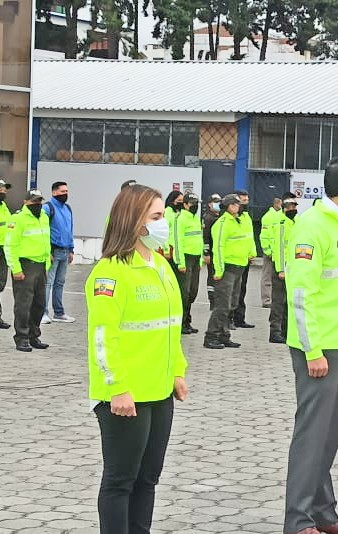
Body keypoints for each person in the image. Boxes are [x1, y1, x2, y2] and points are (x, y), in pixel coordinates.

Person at [86, 184, 189, 534]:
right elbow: (103, 338)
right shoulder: (110, 272)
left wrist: (176, 372)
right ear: (135, 222)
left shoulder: (160, 265)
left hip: (159, 392)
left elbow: (170, 327)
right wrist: (117, 388)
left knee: (148, 478)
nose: (164, 223)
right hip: (125, 396)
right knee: (120, 480)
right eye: (157, 217)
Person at [284, 154, 338, 534]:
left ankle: (324, 513)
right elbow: (301, 293)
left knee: (329, 434)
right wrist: (312, 348)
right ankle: (298, 521)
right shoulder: (311, 226)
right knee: (312, 435)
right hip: (317, 349)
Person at [203, 194, 252, 350]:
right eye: (236, 204)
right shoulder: (222, 223)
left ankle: (224, 335)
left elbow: (247, 238)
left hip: (239, 266)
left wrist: (250, 253)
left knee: (232, 303)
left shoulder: (239, 220)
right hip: (227, 269)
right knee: (222, 305)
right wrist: (218, 270)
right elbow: (218, 248)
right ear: (230, 206)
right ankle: (211, 336)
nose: (239, 206)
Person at [8, 190, 52, 352]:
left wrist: (47, 263)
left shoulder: (44, 218)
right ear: (26, 202)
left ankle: (34, 335)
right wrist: (16, 269)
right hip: (25, 265)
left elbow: (46, 242)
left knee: (39, 304)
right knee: (23, 305)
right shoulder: (17, 219)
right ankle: (22, 337)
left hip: (40, 266)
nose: (37, 205)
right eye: (34, 202)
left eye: (40, 202)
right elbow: (10, 246)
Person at [41, 181, 76, 324]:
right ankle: (43, 313)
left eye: (67, 191)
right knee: (48, 283)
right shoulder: (47, 208)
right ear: (54, 192)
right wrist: (47, 250)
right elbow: (43, 230)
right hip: (53, 251)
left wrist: (71, 249)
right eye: (62, 192)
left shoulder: (68, 208)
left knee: (59, 283)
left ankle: (59, 313)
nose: (65, 194)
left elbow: (70, 229)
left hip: (65, 251)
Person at [267, 195, 297, 344]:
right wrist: (280, 269)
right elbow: (279, 248)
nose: (293, 209)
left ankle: (286, 330)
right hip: (281, 267)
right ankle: (275, 331)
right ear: (284, 209)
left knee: (288, 301)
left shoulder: (295, 223)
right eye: (290, 207)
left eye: (294, 207)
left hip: (292, 267)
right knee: (278, 301)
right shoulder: (281, 224)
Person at [172, 193, 203, 335]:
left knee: (193, 292)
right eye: (191, 203)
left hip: (196, 259)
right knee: (184, 293)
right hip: (185, 259)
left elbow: (199, 239)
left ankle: (187, 321)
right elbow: (177, 241)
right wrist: (180, 262)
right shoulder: (180, 219)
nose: (194, 206)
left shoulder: (196, 219)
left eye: (196, 203)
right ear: (184, 204)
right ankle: (181, 322)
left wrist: (201, 258)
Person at [231, 190, 255, 329]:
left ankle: (240, 318)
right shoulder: (231, 218)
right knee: (233, 291)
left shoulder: (246, 216)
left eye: (247, 201)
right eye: (243, 201)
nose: (245, 204)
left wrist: (252, 253)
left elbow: (249, 237)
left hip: (244, 259)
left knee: (242, 289)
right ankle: (230, 319)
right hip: (233, 260)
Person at [260, 196, 284, 308]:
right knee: (267, 277)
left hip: (279, 252)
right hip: (270, 252)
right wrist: (267, 250)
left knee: (277, 278)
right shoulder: (268, 217)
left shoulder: (281, 216)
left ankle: (275, 299)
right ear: (276, 204)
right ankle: (266, 300)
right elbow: (264, 236)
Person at [203, 193, 222, 307]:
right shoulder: (209, 218)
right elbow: (205, 237)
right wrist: (206, 253)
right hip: (212, 252)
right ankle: (212, 300)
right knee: (212, 276)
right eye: (215, 202)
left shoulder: (218, 217)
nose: (218, 204)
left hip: (218, 251)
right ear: (210, 204)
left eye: (219, 202)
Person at [0, 179, 13, 329]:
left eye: (5, 189)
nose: (4, 192)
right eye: (2, 189)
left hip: (3, 248)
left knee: (1, 284)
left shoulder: (4, 206)